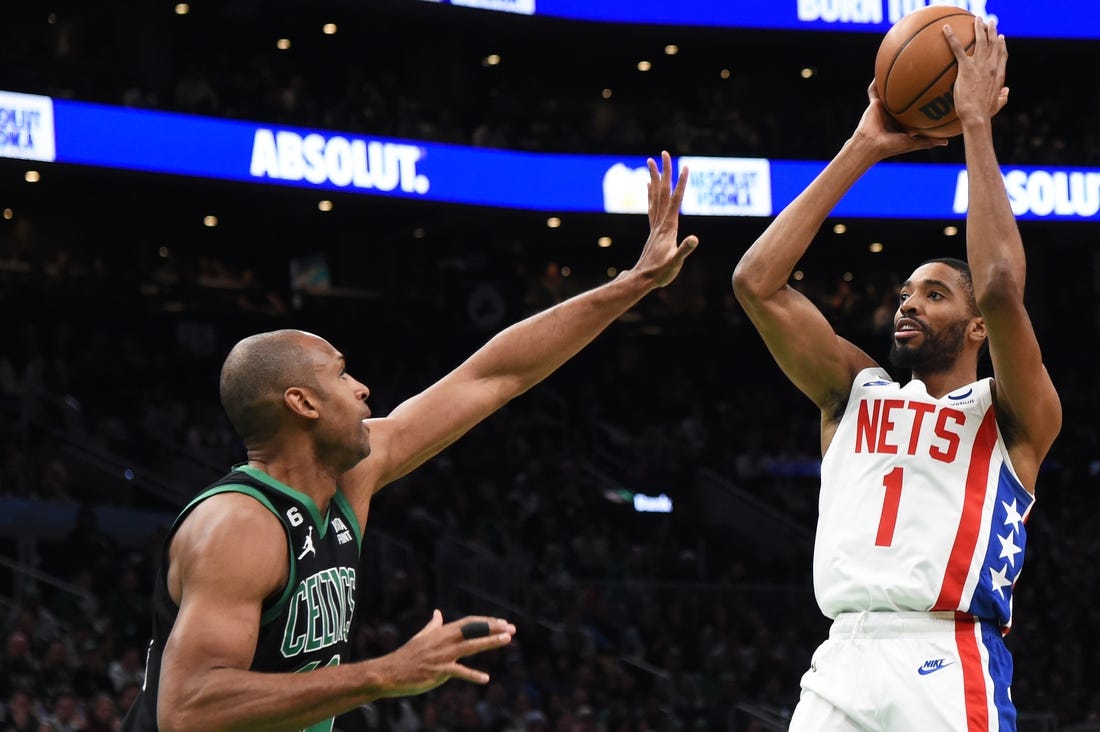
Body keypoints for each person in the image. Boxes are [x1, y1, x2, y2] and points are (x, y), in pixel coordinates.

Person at [120, 151, 699, 732]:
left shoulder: (349, 477)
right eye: (342, 375)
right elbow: (187, 708)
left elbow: (495, 375)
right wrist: (386, 673)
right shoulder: (240, 527)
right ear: (303, 403)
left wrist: (634, 283)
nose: (363, 388)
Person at [731, 18, 1061, 732]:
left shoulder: (1011, 414)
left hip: (945, 656)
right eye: (906, 292)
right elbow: (756, 282)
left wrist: (975, 122)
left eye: (934, 293)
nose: (909, 301)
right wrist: (863, 147)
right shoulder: (855, 390)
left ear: (978, 329)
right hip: (842, 657)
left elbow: (1002, 284)